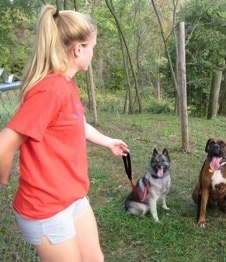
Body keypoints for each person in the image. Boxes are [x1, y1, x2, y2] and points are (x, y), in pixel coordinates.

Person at [0, 5, 129, 262]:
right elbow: (4, 144)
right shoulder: (51, 90)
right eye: (92, 46)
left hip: (73, 198)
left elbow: (75, 122)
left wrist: (107, 142)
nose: (93, 52)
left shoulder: (65, 84)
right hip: (46, 209)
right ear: (78, 48)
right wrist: (2, 179)